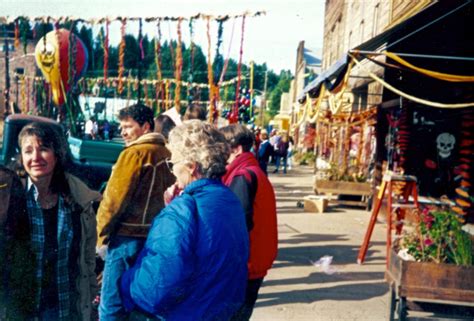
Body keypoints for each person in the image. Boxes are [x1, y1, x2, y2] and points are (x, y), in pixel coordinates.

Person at [120, 120, 249, 320]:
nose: (172, 171)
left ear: (190, 166)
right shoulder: (228, 199)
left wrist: (127, 282)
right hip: (220, 310)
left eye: (173, 164)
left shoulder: (183, 210)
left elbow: (157, 287)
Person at [5, 122, 101, 321]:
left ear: (57, 154)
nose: (35, 158)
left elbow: (87, 259)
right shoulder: (9, 196)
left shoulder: (77, 199)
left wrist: (91, 297)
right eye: (28, 151)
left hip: (62, 306)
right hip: (17, 308)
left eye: (44, 149)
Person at [96, 103, 175, 320]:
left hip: (126, 239)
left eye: (128, 127)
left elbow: (113, 201)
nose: (123, 132)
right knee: (141, 303)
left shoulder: (135, 154)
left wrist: (100, 236)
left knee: (111, 305)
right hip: (155, 238)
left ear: (146, 126)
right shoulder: (167, 152)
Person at [220, 124, 278, 321]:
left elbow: (237, 224)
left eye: (222, 148)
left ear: (236, 149)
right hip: (254, 260)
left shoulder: (242, 175)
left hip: (245, 263)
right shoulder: (253, 171)